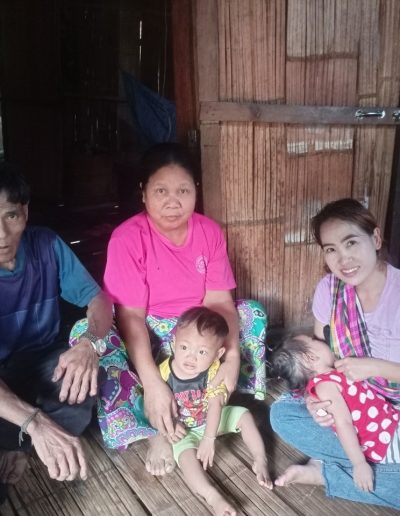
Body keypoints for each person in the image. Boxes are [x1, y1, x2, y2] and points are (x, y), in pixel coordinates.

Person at [73, 142, 267, 476]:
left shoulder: (209, 232)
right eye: (161, 191)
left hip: (198, 332)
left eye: (183, 191)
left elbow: (219, 301)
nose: (173, 202)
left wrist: (232, 357)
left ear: (196, 190)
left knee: (252, 313)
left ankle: (215, 399)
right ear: (143, 192)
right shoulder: (127, 238)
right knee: (87, 335)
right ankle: (154, 427)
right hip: (149, 331)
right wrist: (152, 383)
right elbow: (131, 316)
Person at [270, 198, 400, 509]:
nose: (343, 259)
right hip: (353, 407)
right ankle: (368, 467)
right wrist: (314, 402)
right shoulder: (330, 290)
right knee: (282, 413)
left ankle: (328, 473)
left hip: (393, 411)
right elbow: (317, 354)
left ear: (376, 238)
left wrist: (376, 368)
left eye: (351, 242)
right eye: (331, 249)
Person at [0, 164, 113, 503]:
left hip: (42, 362)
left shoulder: (46, 244)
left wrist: (89, 343)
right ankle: (22, 438)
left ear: (25, 212)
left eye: (10, 216)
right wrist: (35, 424)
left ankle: (14, 442)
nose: (2, 235)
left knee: (80, 384)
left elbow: (100, 301)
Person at [159, 306, 271, 516]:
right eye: (184, 347)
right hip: (185, 430)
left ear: (218, 354)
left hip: (213, 420)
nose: (191, 357)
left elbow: (215, 406)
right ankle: (212, 497)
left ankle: (260, 459)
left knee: (245, 416)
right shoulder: (164, 372)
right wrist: (171, 424)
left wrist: (209, 438)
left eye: (202, 352)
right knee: (185, 457)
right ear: (174, 343)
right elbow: (159, 405)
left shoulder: (213, 372)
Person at [269, 335, 400, 492]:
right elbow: (343, 423)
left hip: (390, 420)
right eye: (315, 340)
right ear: (310, 357)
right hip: (386, 438)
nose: (323, 340)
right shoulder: (326, 386)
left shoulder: (334, 374)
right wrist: (359, 463)